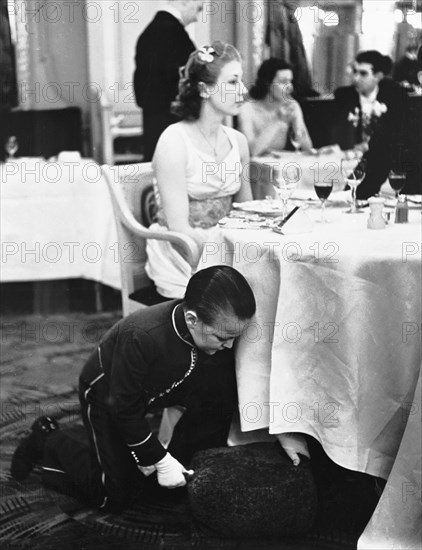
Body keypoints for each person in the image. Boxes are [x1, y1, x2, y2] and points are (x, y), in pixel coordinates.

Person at [11, 266, 257, 513]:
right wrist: (157, 459)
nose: (230, 345)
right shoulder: (141, 335)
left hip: (158, 389)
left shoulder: (206, 332)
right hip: (107, 395)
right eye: (222, 338)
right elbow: (122, 406)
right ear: (192, 319)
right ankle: (49, 439)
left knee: (216, 396)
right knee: (114, 497)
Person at [145, 41, 253, 299]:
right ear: (204, 89)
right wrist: (231, 253)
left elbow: (248, 210)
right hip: (183, 254)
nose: (244, 90)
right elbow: (180, 229)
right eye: (232, 82)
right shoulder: (174, 141)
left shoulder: (238, 141)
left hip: (226, 250)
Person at [133, 1, 203, 161]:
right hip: (170, 122)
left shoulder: (153, 31)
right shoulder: (173, 33)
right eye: (198, 9)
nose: (197, 18)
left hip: (156, 120)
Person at [334, 50, 407, 199]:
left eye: (363, 73)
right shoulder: (344, 96)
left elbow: (397, 133)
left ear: (378, 76)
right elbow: (336, 132)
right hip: (351, 156)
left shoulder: (394, 94)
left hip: (381, 160)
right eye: (354, 72)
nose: (356, 78)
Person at [238, 58, 313, 157]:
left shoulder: (291, 106)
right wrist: (277, 120)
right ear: (267, 83)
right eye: (283, 82)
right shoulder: (246, 109)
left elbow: (308, 148)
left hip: (277, 165)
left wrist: (297, 124)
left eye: (290, 81)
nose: (290, 87)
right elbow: (252, 152)